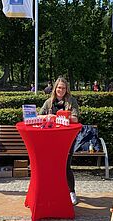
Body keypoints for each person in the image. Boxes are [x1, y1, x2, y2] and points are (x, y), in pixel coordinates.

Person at [38, 77, 80, 205]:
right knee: (51, 166)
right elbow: (38, 116)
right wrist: (47, 116)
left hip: (67, 138)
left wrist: (62, 116)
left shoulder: (71, 101)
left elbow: (76, 119)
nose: (61, 90)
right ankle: (53, 191)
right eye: (59, 87)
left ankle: (71, 192)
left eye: (63, 88)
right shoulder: (49, 102)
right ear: (55, 88)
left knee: (66, 165)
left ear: (67, 89)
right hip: (51, 139)